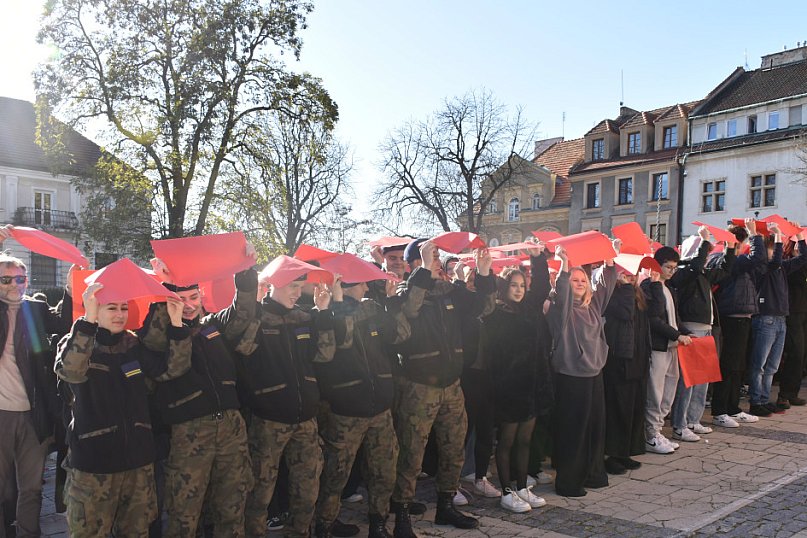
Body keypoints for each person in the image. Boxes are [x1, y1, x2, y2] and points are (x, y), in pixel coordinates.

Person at [55, 283, 190, 536]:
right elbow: (71, 372)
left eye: (124, 308)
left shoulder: (133, 344)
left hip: (138, 466)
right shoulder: (78, 342)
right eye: (112, 308)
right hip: (94, 467)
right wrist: (87, 322)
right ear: (95, 308)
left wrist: (176, 324)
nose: (119, 314)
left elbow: (171, 370)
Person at [141, 255, 258, 538]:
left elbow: (242, 312)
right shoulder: (158, 335)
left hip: (231, 429)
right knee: (185, 513)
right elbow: (154, 343)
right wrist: (166, 290)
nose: (189, 305)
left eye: (193, 296)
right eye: (180, 300)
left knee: (233, 506)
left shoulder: (213, 325)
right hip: (189, 434)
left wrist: (245, 270)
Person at [390, 239, 494, 537]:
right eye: (431, 257)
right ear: (415, 264)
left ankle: (446, 504)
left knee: (453, 448)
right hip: (418, 387)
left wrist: (484, 273)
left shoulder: (449, 291)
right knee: (411, 453)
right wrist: (423, 267)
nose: (437, 261)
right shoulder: (406, 291)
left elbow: (484, 308)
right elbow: (409, 310)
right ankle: (402, 514)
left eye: (436, 257)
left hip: (451, 385)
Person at [240, 268, 335, 538]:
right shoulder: (259, 317)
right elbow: (244, 349)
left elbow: (325, 354)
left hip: (305, 419)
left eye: (299, 286)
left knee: (307, 491)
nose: (297, 292)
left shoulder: (303, 318)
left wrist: (324, 311)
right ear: (274, 285)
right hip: (269, 420)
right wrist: (255, 310)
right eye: (292, 286)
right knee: (259, 493)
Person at [315, 274, 409, 538]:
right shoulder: (323, 313)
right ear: (344, 287)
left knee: (384, 472)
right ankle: (325, 524)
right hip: (346, 412)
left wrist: (391, 303)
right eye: (360, 283)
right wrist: (336, 302)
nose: (367, 287)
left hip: (380, 409)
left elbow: (399, 336)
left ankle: (378, 524)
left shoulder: (372, 308)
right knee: (336, 476)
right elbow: (338, 344)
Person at [0, 233, 72, 538]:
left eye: (20, 279)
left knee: (30, 488)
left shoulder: (36, 310)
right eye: (6, 280)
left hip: (34, 416)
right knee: (3, 490)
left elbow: (67, 320)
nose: (15, 285)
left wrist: (71, 287)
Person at [480, 243, 549, 513]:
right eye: (514, 285)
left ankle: (521, 487)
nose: (519, 290)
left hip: (531, 385)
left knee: (524, 440)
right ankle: (507, 492)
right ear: (504, 287)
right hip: (508, 387)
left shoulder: (530, 308)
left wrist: (537, 259)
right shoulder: (496, 313)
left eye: (522, 285)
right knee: (507, 441)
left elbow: (541, 287)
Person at [547, 243, 617, 497]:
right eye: (575, 280)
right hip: (571, 376)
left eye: (582, 279)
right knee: (573, 431)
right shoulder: (561, 311)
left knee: (594, 427)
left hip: (594, 373)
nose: (579, 283)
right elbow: (563, 292)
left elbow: (607, 285)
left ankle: (593, 474)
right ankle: (568, 481)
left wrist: (609, 259)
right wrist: (564, 266)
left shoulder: (593, 306)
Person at [669, 226, 732, 442]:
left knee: (702, 379)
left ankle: (693, 420)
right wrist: (704, 242)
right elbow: (695, 266)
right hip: (692, 328)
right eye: (703, 251)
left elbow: (724, 271)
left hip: (705, 328)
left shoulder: (701, 272)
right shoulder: (685, 272)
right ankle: (680, 424)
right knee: (689, 380)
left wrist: (730, 248)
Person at [708, 219, 765, 427]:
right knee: (728, 365)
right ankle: (720, 410)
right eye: (741, 243)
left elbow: (764, 262)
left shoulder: (738, 261)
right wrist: (754, 233)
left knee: (737, 366)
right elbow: (757, 258)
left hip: (742, 317)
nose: (743, 247)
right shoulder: (730, 260)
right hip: (731, 317)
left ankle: (732, 408)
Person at [748, 225, 807, 415]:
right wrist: (779, 236)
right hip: (766, 319)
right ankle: (756, 401)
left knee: (772, 366)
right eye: (772, 248)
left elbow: (804, 259)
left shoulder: (782, 267)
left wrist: (800, 238)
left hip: (781, 319)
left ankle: (765, 399)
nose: (775, 252)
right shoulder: (763, 267)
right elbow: (773, 261)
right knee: (760, 364)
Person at [642, 247, 692, 454]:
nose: (672, 271)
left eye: (674, 268)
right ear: (658, 265)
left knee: (668, 392)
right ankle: (651, 435)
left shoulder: (668, 288)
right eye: (668, 267)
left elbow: (674, 317)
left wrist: (683, 332)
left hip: (672, 347)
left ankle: (658, 430)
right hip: (658, 347)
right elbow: (653, 319)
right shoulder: (649, 286)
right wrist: (676, 334)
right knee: (655, 392)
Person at [602, 269, 650, 475]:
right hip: (619, 361)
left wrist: (652, 282)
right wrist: (627, 287)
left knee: (632, 409)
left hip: (637, 360)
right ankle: (611, 454)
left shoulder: (635, 292)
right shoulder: (613, 293)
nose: (632, 277)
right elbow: (625, 313)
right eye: (628, 273)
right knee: (617, 409)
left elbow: (654, 310)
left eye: (635, 274)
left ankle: (625, 452)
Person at [778, 239, 807, 407]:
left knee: (801, 354)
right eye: (795, 244)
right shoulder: (787, 264)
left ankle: (792, 393)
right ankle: (784, 394)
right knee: (795, 352)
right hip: (792, 312)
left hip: (803, 312)